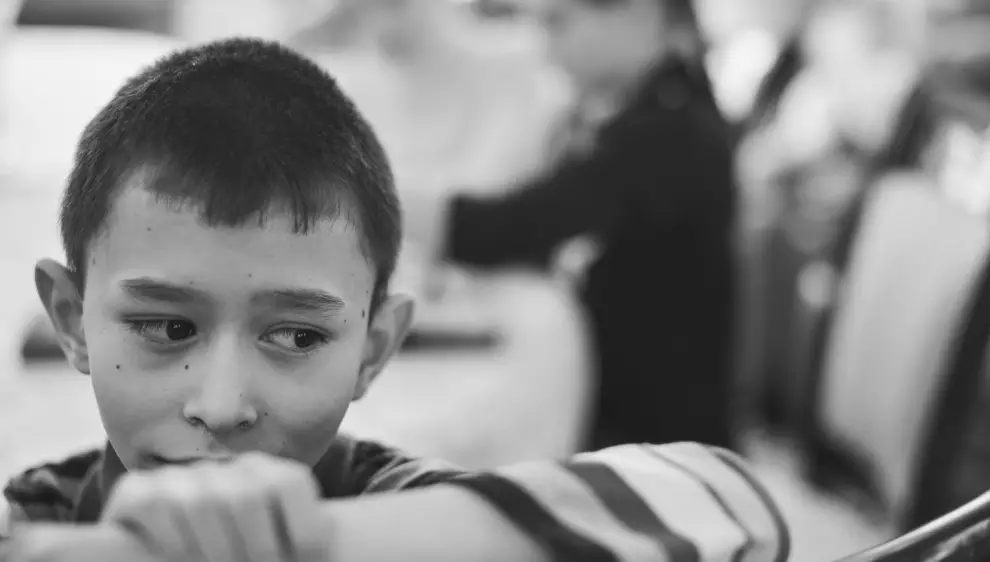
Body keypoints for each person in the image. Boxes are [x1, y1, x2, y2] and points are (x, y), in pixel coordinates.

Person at [0, 38, 790, 562]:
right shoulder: (37, 514)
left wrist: (299, 542)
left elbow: (731, 504)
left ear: (374, 348)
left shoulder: (393, 502)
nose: (222, 405)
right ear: (70, 319)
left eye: (297, 337)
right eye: (166, 327)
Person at [404, 0, 737, 450]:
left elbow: (516, 226)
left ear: (639, 14)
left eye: (558, 23)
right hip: (627, 405)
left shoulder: (672, 131)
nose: (547, 49)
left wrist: (371, 194)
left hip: (655, 436)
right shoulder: (634, 112)